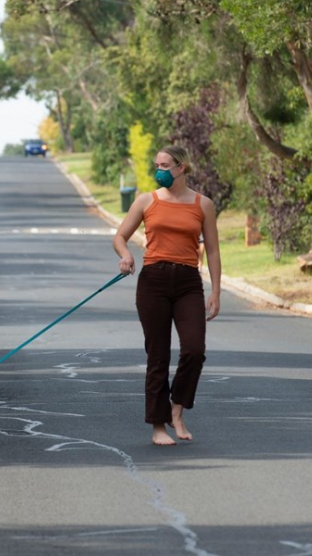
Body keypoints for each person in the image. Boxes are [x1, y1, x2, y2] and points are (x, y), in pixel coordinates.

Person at [112, 145, 221, 446]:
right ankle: (158, 426)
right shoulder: (147, 200)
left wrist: (216, 290)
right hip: (153, 282)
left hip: (188, 282)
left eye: (165, 164)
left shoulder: (203, 204)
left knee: (194, 350)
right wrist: (125, 256)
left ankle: (177, 410)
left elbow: (212, 250)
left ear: (182, 167)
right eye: (156, 164)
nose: (159, 169)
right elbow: (120, 237)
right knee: (157, 356)